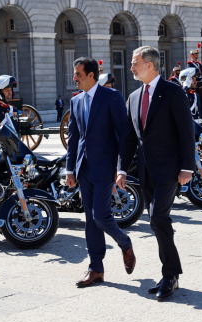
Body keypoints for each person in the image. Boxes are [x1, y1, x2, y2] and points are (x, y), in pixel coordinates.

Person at [116, 46, 195, 301]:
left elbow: (186, 131)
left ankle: (170, 275)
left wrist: (187, 167)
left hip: (170, 170)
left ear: (150, 65)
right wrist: (121, 169)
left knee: (157, 219)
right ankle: (171, 272)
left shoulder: (172, 92)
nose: (131, 67)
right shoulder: (134, 96)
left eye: (135, 62)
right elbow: (128, 138)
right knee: (159, 222)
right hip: (146, 171)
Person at [66, 57, 135, 288]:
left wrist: (121, 167)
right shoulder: (75, 101)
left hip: (105, 167)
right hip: (83, 167)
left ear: (91, 75)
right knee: (90, 220)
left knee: (100, 215)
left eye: (78, 74)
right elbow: (74, 137)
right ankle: (96, 268)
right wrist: (69, 169)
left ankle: (124, 242)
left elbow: (123, 134)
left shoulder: (111, 97)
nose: (74, 78)